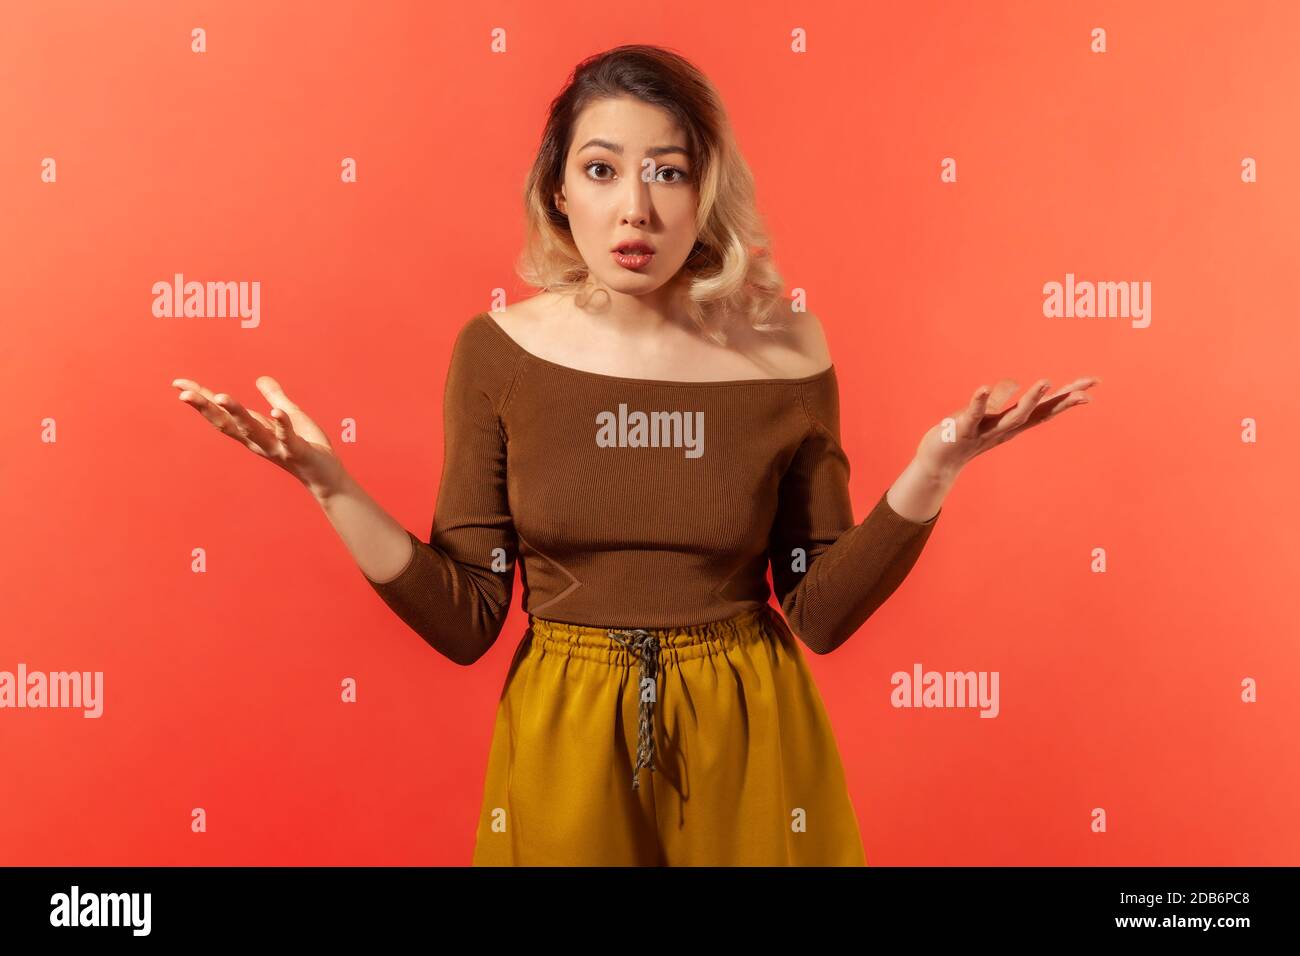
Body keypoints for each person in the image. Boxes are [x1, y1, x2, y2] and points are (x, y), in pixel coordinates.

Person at [170, 44, 1099, 866]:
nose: (637, 207)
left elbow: (817, 610)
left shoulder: (788, 350)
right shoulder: (497, 353)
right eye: (604, 169)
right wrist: (329, 484)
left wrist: (935, 469)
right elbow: (466, 619)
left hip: (751, 732)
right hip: (565, 736)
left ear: (708, 190)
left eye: (669, 171)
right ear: (559, 191)